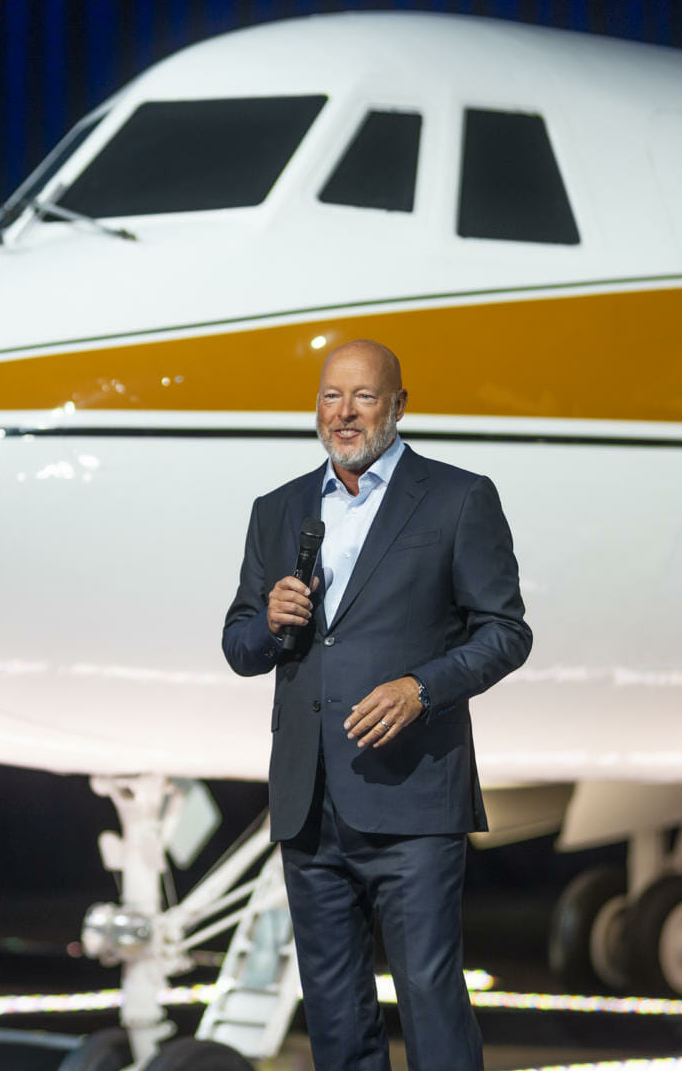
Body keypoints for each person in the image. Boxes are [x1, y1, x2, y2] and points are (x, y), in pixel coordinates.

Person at [221, 339, 532, 1070]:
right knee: (331, 1005)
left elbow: (505, 632)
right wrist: (269, 622)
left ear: (398, 404)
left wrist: (421, 688)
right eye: (331, 396)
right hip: (308, 801)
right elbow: (239, 645)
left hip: (413, 798)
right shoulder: (279, 510)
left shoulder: (457, 497)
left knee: (426, 991)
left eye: (363, 397)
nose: (345, 414)